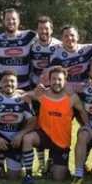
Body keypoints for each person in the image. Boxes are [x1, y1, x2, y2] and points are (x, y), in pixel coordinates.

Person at [21, 66, 89, 183]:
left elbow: (82, 111)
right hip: (44, 135)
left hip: (61, 141)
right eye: (54, 79)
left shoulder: (72, 98)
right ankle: (28, 175)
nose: (56, 82)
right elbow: (25, 95)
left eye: (59, 79)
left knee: (58, 178)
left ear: (65, 81)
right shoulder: (42, 94)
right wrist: (27, 99)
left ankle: (55, 164)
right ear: (49, 80)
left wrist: (87, 125)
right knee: (28, 138)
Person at [0, 71, 36, 184]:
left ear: (17, 83)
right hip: (0, 139)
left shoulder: (23, 100)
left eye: (12, 81)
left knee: (13, 177)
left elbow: (32, 121)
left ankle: (3, 163)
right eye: (5, 81)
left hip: (16, 140)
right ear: (0, 83)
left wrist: (21, 134)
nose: (8, 84)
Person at [28, 15, 62, 173]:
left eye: (47, 28)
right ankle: (41, 163)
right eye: (41, 28)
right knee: (38, 126)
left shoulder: (58, 45)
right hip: (38, 92)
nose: (44, 31)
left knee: (54, 125)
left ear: (51, 29)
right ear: (37, 30)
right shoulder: (31, 45)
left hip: (55, 92)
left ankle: (51, 160)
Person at [0, 8, 37, 91]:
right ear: (3, 22)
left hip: (24, 87)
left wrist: (59, 45)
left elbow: (45, 38)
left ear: (19, 21)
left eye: (13, 19)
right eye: (8, 19)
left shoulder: (29, 35)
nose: (11, 21)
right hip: (2, 87)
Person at [48, 25, 92, 89]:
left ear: (77, 37)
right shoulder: (56, 55)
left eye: (72, 35)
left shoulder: (89, 49)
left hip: (86, 87)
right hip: (66, 89)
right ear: (62, 39)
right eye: (66, 36)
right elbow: (52, 78)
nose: (69, 38)